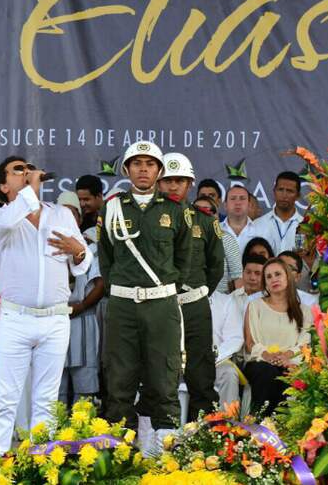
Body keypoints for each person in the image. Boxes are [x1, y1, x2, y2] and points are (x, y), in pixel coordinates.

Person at [0, 156, 91, 456]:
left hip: (56, 319)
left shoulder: (61, 214)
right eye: (18, 170)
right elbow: (13, 216)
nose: (27, 172)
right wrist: (31, 187)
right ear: (4, 185)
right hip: (15, 319)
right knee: (6, 398)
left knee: (46, 399)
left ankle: (42, 463)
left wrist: (80, 252)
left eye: (28, 168)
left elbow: (81, 265)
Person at [97, 141, 192, 454]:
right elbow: (106, 258)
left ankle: (164, 458)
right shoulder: (111, 207)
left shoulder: (175, 211)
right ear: (126, 170)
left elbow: (183, 260)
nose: (143, 169)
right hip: (122, 305)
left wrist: (160, 289)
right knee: (119, 379)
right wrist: (124, 287)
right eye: (136, 163)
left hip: (161, 304)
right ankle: (120, 455)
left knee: (164, 378)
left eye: (149, 164)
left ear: (159, 171)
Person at [157, 153, 223, 421]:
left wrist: (195, 293)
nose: (173, 186)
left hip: (195, 305)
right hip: (159, 305)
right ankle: (160, 440)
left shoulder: (205, 220)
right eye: (168, 180)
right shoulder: (147, 219)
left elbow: (215, 266)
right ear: (158, 183)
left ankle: (200, 441)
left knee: (201, 375)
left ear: (190, 184)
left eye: (180, 181)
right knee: (159, 374)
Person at [243, 258, 312, 416]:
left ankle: (283, 430)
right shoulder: (255, 306)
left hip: (290, 362)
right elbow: (250, 342)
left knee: (288, 375)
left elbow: (304, 344)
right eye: (268, 277)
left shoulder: (305, 311)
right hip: (260, 362)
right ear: (265, 283)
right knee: (268, 373)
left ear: (288, 277)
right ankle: (260, 426)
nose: (273, 279)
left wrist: (286, 357)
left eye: (277, 274)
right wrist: (268, 355)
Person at [56, 191, 103, 407]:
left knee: (84, 393)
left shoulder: (91, 246)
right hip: (55, 323)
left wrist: (81, 306)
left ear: (80, 218)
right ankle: (50, 437)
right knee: (55, 390)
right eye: (62, 213)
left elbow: (101, 283)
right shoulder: (46, 249)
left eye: (72, 214)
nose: (68, 218)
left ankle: (82, 437)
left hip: (83, 322)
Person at [251, 172, 304, 255]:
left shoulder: (305, 227)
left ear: (298, 196)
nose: (284, 195)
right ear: (274, 191)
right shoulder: (257, 225)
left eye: (290, 191)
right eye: (280, 189)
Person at [197, 196, 241, 294]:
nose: (200, 216)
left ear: (216, 216)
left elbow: (237, 277)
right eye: (196, 211)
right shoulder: (182, 237)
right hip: (188, 298)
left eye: (206, 211)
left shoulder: (226, 238)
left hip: (220, 300)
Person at [209, 289, 244, 408]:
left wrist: (212, 357)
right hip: (179, 363)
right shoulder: (172, 297)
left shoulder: (225, 301)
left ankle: (228, 423)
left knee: (229, 373)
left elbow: (235, 338)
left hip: (215, 361)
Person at [221, 185, 257, 253]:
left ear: (249, 205)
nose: (238, 203)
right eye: (233, 198)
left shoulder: (261, 231)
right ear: (225, 205)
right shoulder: (215, 231)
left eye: (242, 198)